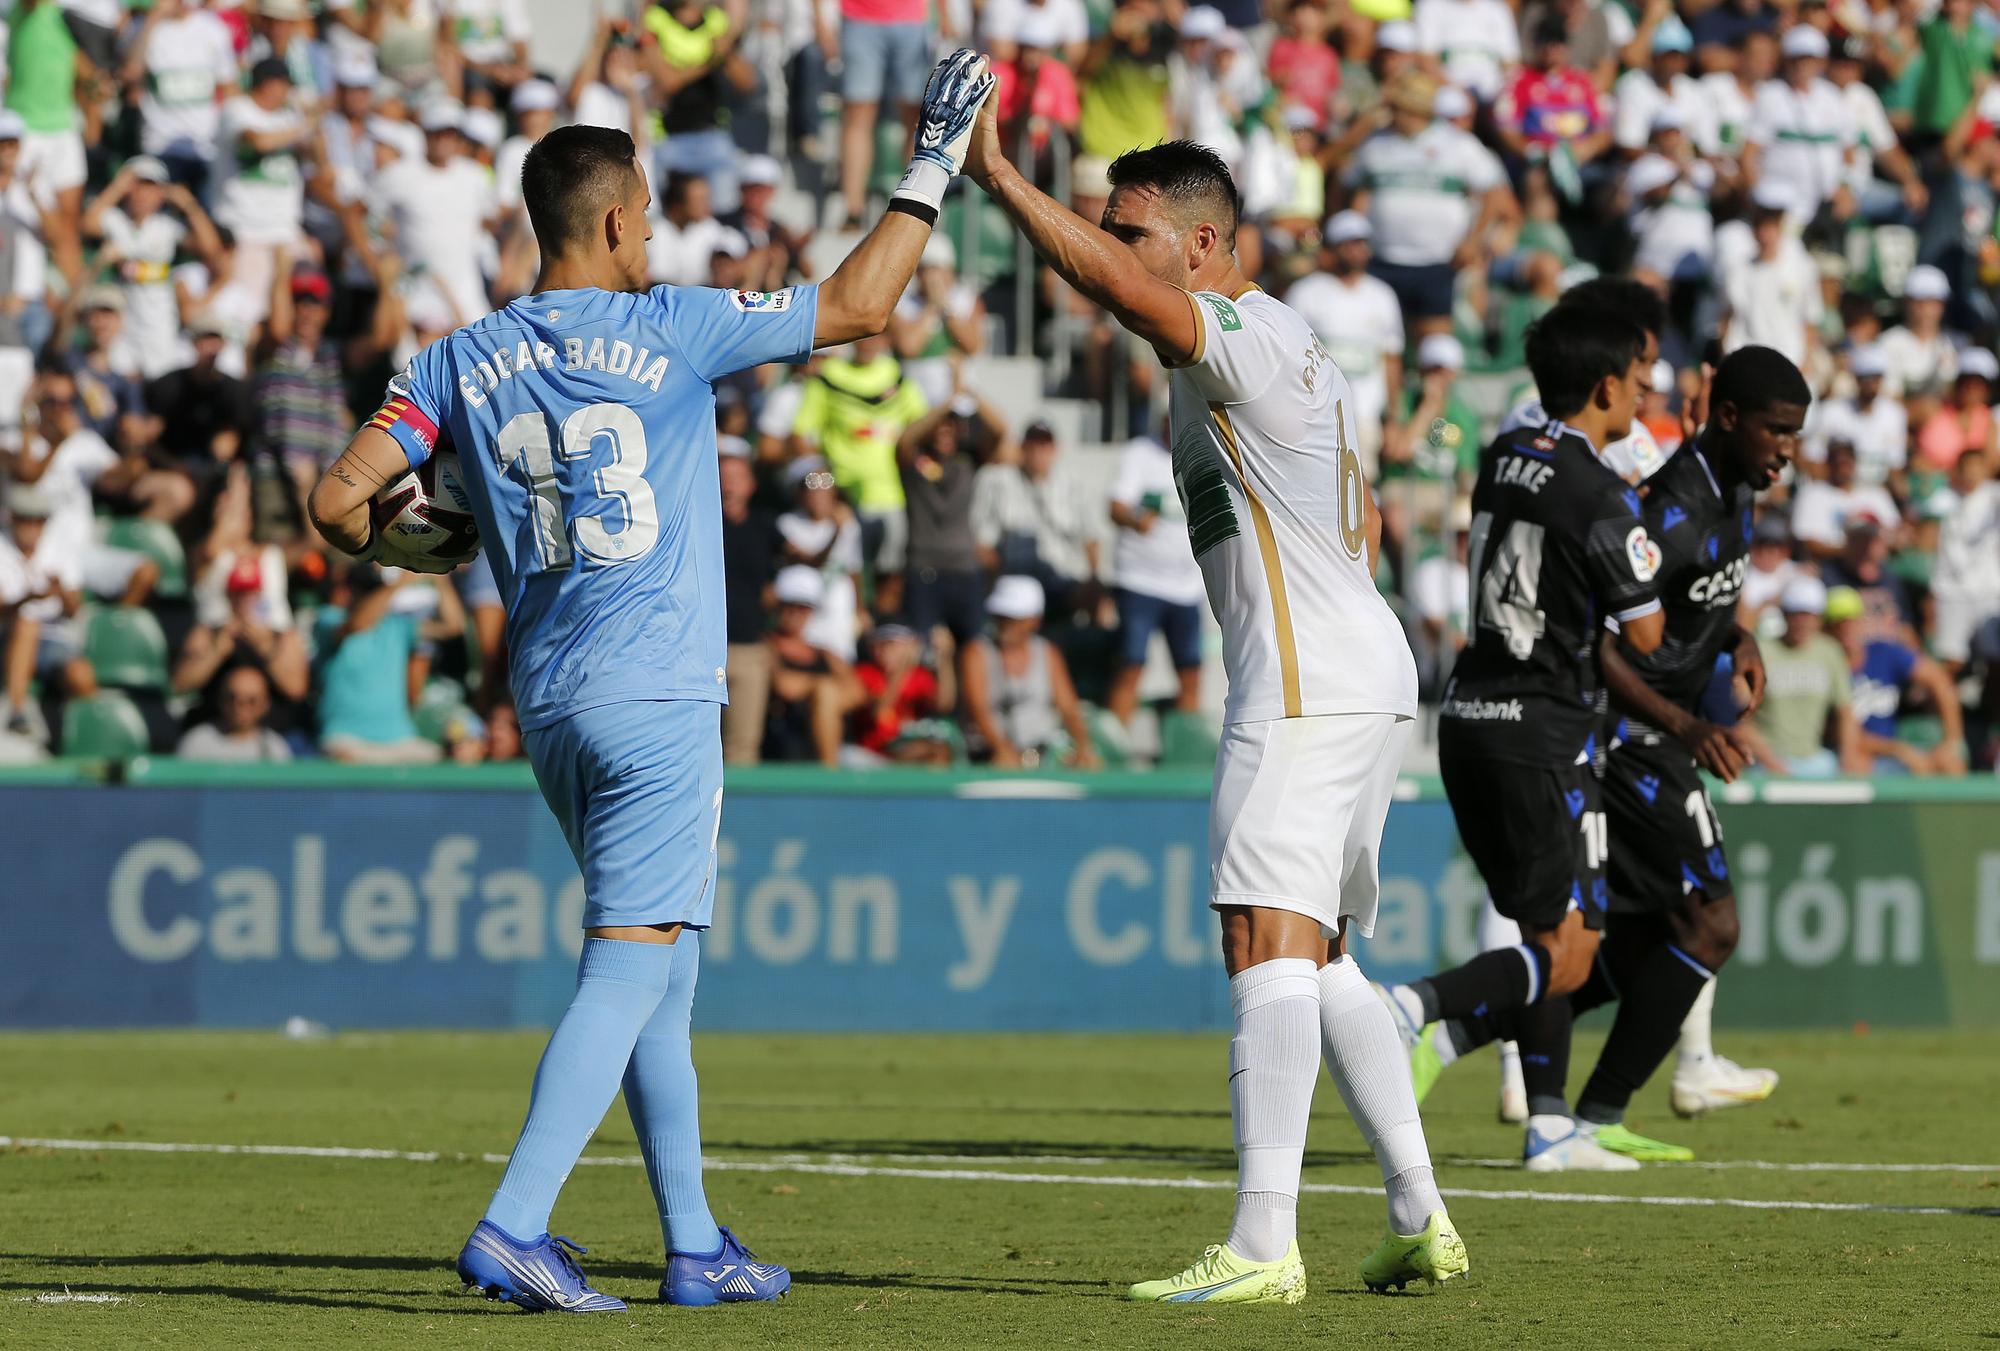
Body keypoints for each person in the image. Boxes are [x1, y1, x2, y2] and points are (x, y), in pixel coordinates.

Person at [308, 53, 996, 1312]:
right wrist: (934, 163)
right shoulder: (674, 325)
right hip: (662, 693)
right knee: (629, 962)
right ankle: (515, 1222)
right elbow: (854, 307)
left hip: (556, 702)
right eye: (650, 214)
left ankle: (693, 1243)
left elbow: (336, 502)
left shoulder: (454, 361)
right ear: (622, 216)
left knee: (662, 970)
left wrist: (429, 542)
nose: (657, 232)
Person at [967, 117, 1466, 1301]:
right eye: (1104, 220)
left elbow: (1108, 291)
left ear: (1201, 244)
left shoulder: (1234, 334)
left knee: (1257, 933)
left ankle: (1260, 1244)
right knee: (1325, 949)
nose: (1107, 241)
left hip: (1303, 678)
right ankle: (1417, 1211)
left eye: (1128, 227)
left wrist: (993, 175)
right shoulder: (1292, 341)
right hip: (1359, 661)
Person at [1411, 347, 1809, 1158]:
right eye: (1779, 431)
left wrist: (1737, 636)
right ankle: (1586, 1105)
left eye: (1797, 434)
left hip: (1656, 733)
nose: (1788, 449)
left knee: (1632, 944)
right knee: (1710, 926)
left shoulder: (1735, 488)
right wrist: (1690, 726)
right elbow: (1608, 642)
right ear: (1729, 419)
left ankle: (1465, 1044)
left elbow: (1691, 597)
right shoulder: (1671, 508)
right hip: (1631, 738)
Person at [1381, 301, 1666, 1174]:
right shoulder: (1599, 490)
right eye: (1640, 378)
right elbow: (1647, 637)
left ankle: (1548, 1120)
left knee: (1555, 929)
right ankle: (1406, 1009)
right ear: (1607, 386)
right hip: (1544, 733)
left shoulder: (1505, 455)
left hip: (1469, 718)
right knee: (1569, 950)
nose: (1647, 392)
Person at [1282, 211, 1404, 474]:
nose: (1356, 250)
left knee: (1362, 489)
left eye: (1361, 242)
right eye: (1349, 243)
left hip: (1365, 413)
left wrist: (1393, 418)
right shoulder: (1306, 292)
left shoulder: (1382, 296)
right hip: (1313, 412)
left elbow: (1391, 360)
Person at [1105, 428, 1204, 729]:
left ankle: (1184, 746)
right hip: (1140, 582)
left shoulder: (1202, 452)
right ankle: (1115, 744)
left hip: (1186, 587)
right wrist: (1136, 520)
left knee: (1190, 672)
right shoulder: (1139, 452)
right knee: (1131, 667)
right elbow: (1116, 507)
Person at [958, 574, 1098, 768]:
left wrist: (1084, 747)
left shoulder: (1048, 653)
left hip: (1043, 755)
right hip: (986, 756)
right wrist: (1001, 749)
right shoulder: (976, 653)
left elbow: (1068, 707)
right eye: (1002, 617)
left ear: (1034, 620)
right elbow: (978, 708)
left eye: (1014, 618)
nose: (1006, 624)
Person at [1829, 585, 1967, 775]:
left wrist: (1952, 741)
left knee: (1950, 763)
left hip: (1893, 751)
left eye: (1851, 620)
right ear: (1827, 628)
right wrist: (1898, 750)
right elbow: (1841, 735)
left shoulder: (1883, 652)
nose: (1846, 628)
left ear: (1862, 621)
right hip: (1862, 754)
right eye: (1838, 623)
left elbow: (1939, 680)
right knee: (1856, 765)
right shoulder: (1826, 663)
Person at [1741, 575, 1863, 777]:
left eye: (1809, 615)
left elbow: (1846, 712)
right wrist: (1771, 762)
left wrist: (1848, 757)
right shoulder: (1761, 651)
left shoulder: (1829, 652)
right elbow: (1740, 720)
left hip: (1815, 760)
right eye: (1795, 615)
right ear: (1784, 616)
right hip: (1766, 762)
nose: (1802, 622)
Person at [177, 663, 294, 763]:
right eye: (232, 698)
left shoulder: (274, 748)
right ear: (220, 699)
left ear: (265, 704)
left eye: (251, 701)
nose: (240, 707)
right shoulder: (196, 743)